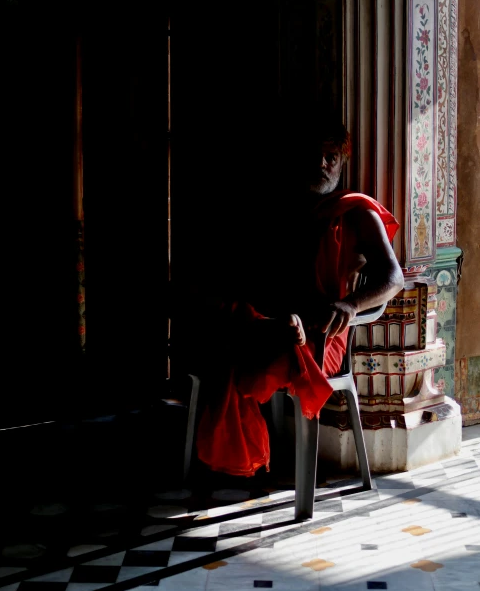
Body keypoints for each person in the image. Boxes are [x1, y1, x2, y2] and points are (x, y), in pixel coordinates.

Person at [172, 119, 404, 478]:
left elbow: (395, 278)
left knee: (266, 339)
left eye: (330, 157)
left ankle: (280, 331)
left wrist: (350, 305)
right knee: (215, 317)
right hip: (272, 320)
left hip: (320, 334)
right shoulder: (280, 210)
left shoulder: (355, 211)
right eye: (313, 156)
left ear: (342, 162)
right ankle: (273, 328)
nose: (321, 165)